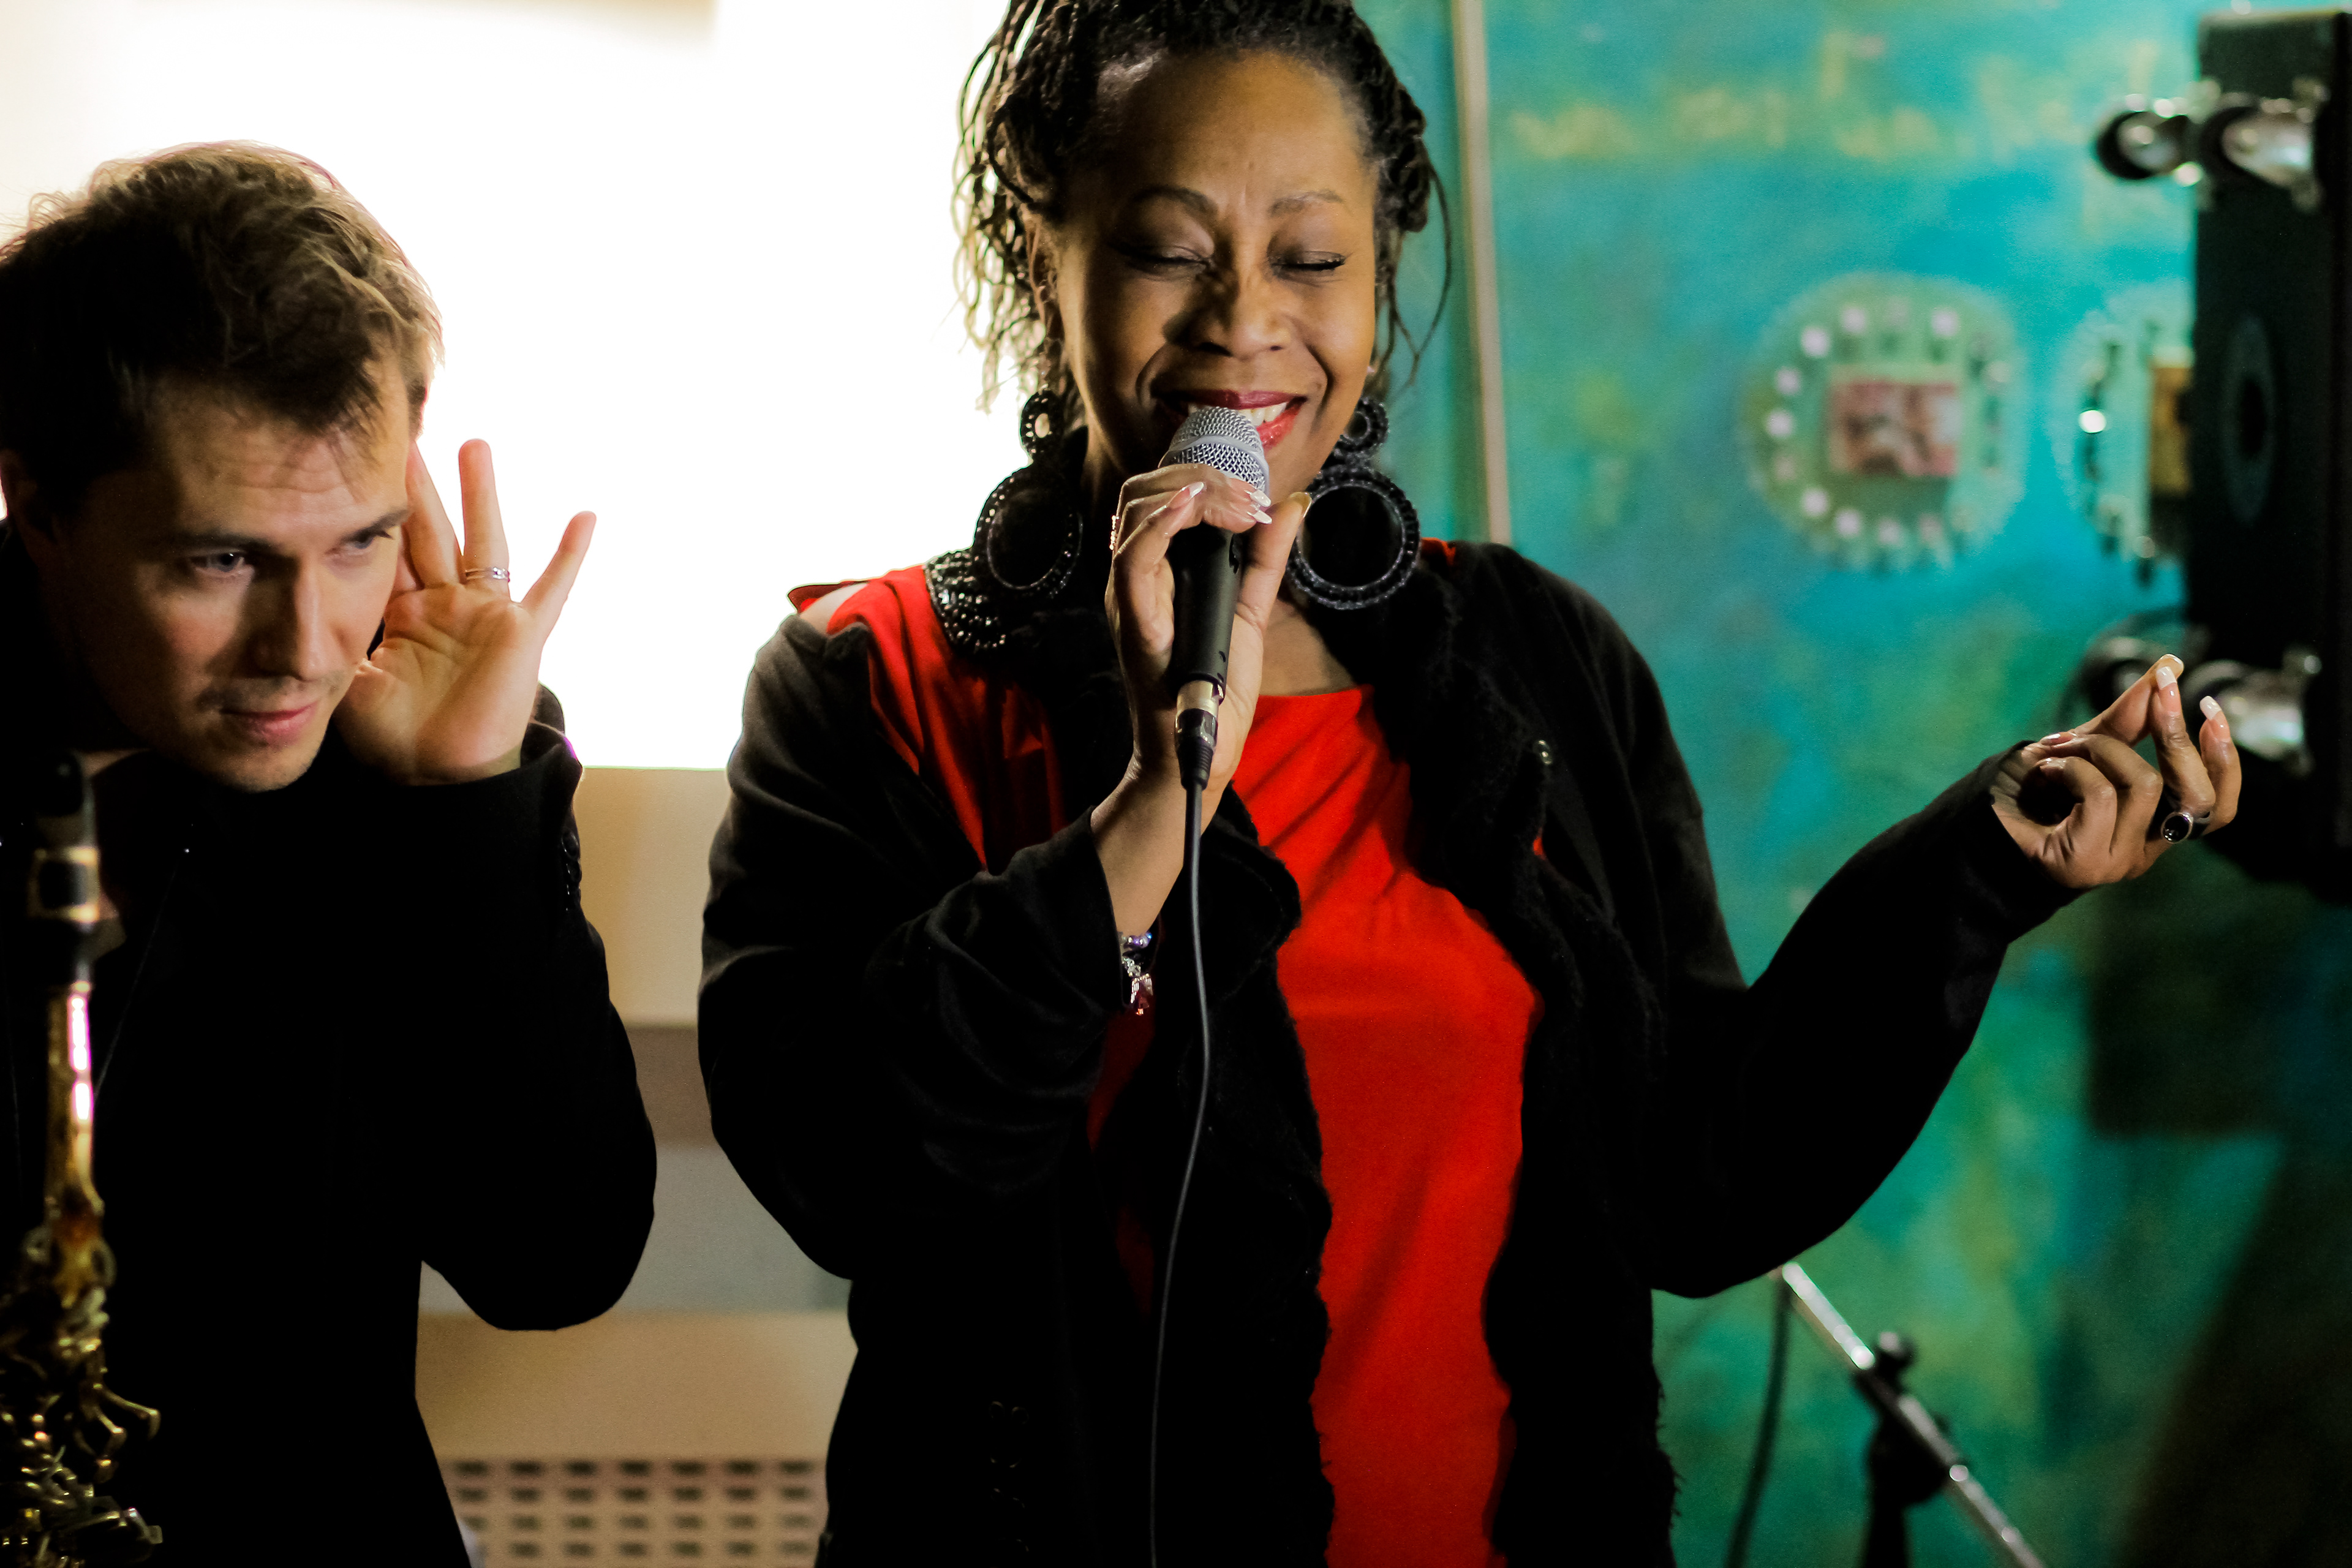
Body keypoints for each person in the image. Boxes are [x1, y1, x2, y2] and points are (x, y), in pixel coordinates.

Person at [699, 4, 2242, 1562]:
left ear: (1379, 284)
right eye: (1171, 250)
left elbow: (1698, 1174)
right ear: (1052, 257)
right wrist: (1153, 806)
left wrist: (1978, 865)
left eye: (1312, 258)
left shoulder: (1535, 656)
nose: (1246, 321)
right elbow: (849, 1171)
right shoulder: (875, 679)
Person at [0, 145, 656, 1560]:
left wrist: (466, 799)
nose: (305, 650)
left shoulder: (412, 741)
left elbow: (555, 1257)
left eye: (361, 543)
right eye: (222, 560)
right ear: (38, 506)